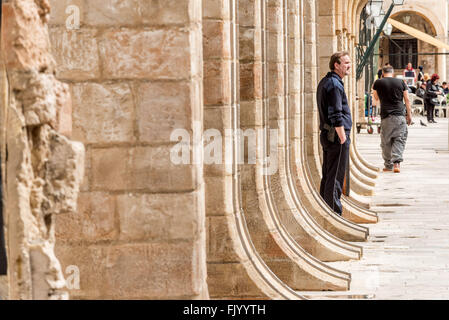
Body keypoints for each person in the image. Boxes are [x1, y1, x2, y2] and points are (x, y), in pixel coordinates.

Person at [316, 51, 352, 215]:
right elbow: (335, 113)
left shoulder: (328, 81)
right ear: (336, 65)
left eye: (349, 62)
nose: (349, 65)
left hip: (329, 135)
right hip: (336, 136)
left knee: (329, 175)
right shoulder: (334, 85)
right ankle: (333, 213)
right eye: (345, 63)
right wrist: (343, 137)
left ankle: (326, 211)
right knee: (335, 177)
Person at [372, 65, 412, 173]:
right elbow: (407, 100)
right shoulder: (401, 82)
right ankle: (397, 164)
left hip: (386, 116)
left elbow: (375, 98)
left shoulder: (378, 82)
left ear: (383, 73)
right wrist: (409, 115)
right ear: (393, 73)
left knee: (386, 141)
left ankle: (388, 165)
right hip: (400, 115)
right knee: (399, 139)